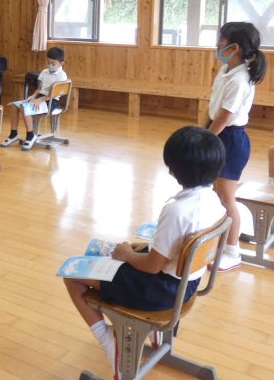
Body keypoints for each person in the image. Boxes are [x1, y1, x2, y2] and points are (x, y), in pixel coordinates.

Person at [63, 126, 227, 373]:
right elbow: (174, 248)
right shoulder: (214, 200)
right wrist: (141, 250)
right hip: (189, 284)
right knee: (119, 253)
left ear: (173, 168)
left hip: (160, 291)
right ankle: (150, 335)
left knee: (72, 275)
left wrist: (127, 255)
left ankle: (110, 342)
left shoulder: (177, 210)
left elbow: (152, 266)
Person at [207, 21, 266, 272]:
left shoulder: (241, 78)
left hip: (230, 139)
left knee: (226, 197)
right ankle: (220, 240)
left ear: (235, 47)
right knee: (217, 193)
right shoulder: (226, 71)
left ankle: (232, 252)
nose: (217, 44)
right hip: (220, 134)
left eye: (221, 39)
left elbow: (225, 117)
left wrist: (204, 140)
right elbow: (214, 110)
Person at [1, 46, 68, 151]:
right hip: (40, 98)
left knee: (24, 107)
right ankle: (13, 134)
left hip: (52, 102)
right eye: (48, 62)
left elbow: (55, 95)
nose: (50, 65)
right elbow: (40, 88)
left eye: (53, 63)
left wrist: (39, 100)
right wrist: (33, 96)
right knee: (14, 106)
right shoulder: (44, 72)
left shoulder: (62, 76)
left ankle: (30, 135)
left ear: (62, 63)